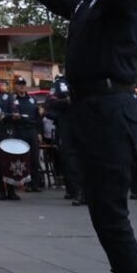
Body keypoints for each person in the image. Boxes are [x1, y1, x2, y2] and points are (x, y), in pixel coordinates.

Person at [0, 0, 137, 273]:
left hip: (111, 107)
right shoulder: (88, 4)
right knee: (101, 208)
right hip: (88, 110)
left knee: (111, 209)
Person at [45, 75, 81, 203]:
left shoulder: (85, 80)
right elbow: (50, 102)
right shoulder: (60, 84)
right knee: (69, 158)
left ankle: (82, 190)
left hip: (84, 123)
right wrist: (66, 101)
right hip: (67, 125)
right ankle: (75, 190)